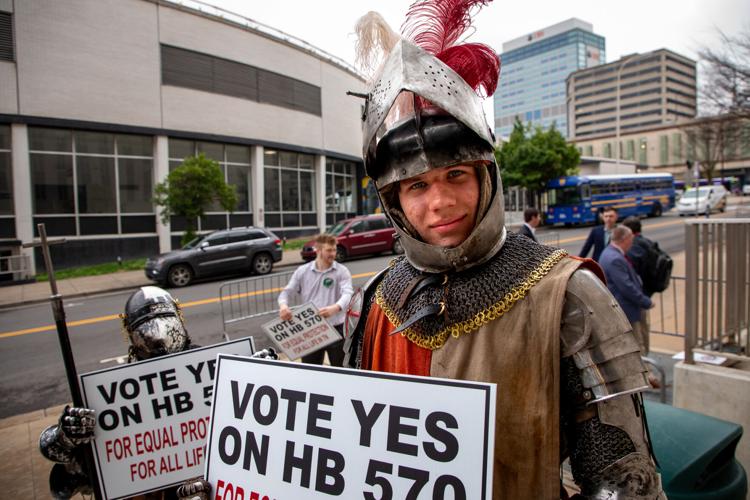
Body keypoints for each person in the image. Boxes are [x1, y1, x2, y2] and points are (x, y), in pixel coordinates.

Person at [345, 3, 663, 498]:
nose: (440, 202)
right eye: (416, 186)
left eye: (455, 175)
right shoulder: (376, 299)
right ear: (394, 202)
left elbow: (624, 483)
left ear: (486, 177)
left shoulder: (570, 296)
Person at [38, 286, 276, 499]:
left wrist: (265, 377)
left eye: (163, 319)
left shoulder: (218, 365)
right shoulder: (117, 391)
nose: (157, 331)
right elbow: (66, 470)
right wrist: (67, 433)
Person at [278, 233, 353, 366]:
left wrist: (335, 307)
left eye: (334, 249)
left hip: (337, 328)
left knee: (341, 370)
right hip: (312, 329)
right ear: (318, 250)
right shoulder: (302, 271)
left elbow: (348, 293)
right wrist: (283, 306)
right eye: (329, 250)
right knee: (311, 370)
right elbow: (286, 292)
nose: (333, 253)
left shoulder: (342, 271)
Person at [600, 224, 654, 354]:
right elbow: (626, 287)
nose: (632, 242)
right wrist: (646, 301)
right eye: (631, 238)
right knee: (637, 344)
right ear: (625, 239)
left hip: (626, 308)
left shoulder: (609, 253)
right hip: (628, 310)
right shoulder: (614, 259)